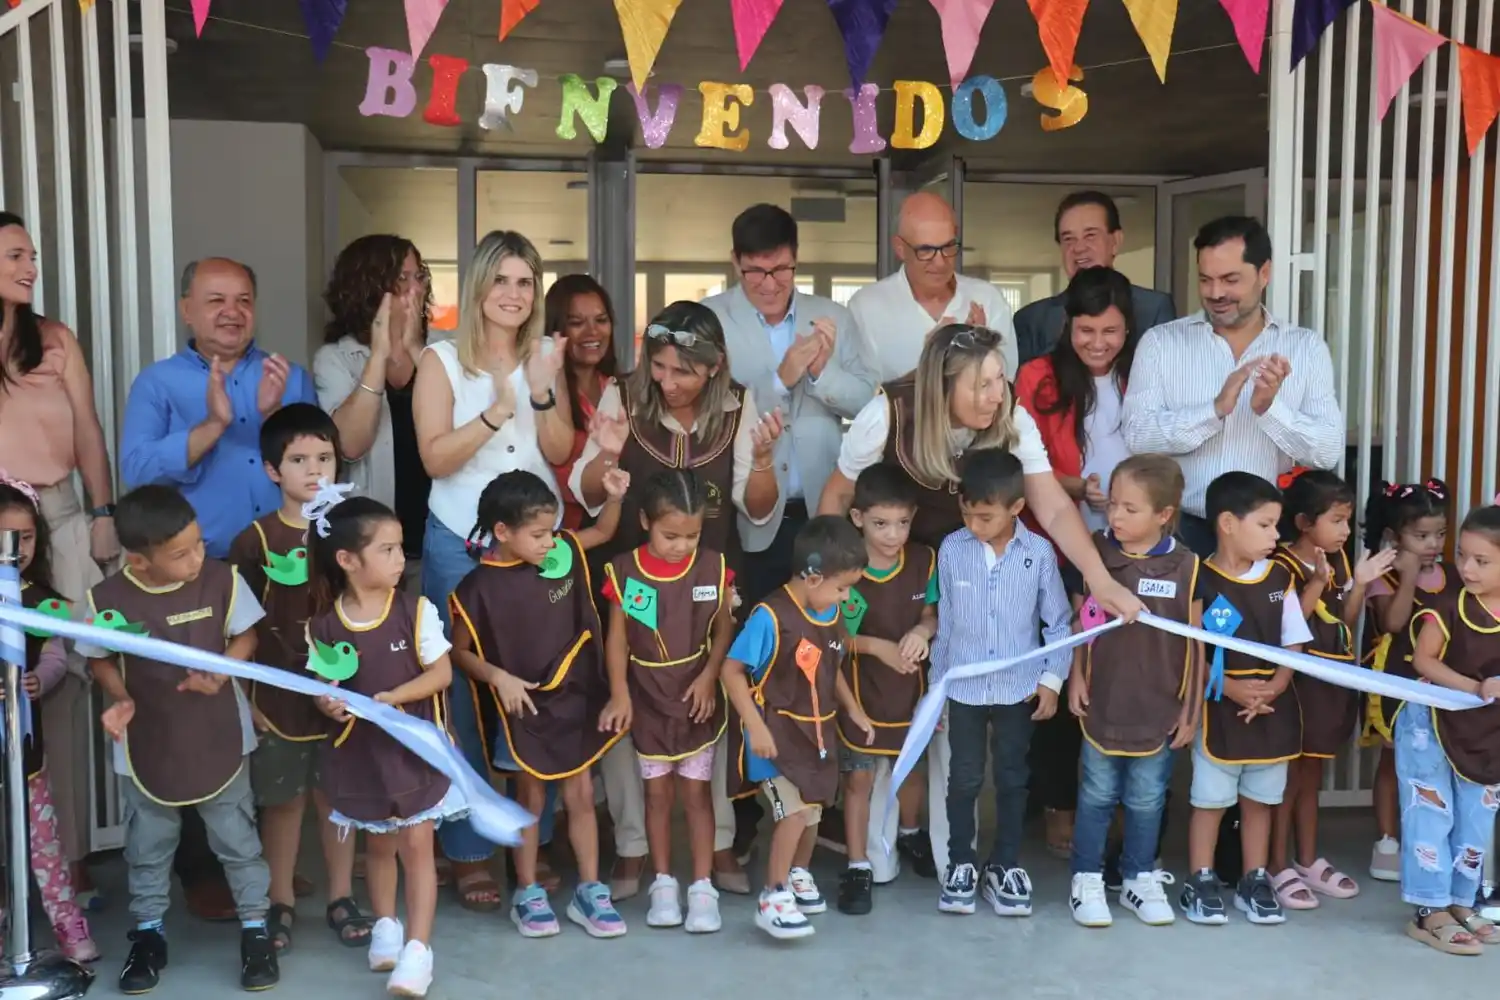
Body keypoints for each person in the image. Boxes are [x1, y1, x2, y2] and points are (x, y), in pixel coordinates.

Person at [818, 321, 1146, 876]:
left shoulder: (1011, 416)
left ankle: (954, 860)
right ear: (944, 386)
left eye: (1001, 379)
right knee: (883, 716)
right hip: (897, 580)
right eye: (983, 384)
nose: (998, 394)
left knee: (955, 732)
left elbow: (1056, 508)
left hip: (973, 588)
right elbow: (837, 495)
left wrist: (1100, 579)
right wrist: (824, 586)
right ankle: (869, 859)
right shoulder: (886, 416)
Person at [573, 300, 785, 894]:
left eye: (682, 372)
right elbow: (587, 491)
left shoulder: (740, 407)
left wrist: (764, 462)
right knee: (626, 711)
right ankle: (633, 847)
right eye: (658, 367)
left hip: (710, 588)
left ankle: (716, 843)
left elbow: (760, 508)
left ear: (715, 366)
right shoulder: (624, 395)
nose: (666, 382)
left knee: (711, 710)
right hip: (633, 586)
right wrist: (607, 458)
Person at [412, 230, 573, 911]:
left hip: (538, 544)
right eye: (503, 280)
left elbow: (562, 447)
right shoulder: (440, 361)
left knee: (545, 684)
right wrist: (495, 413)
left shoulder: (544, 356)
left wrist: (539, 396)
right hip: (460, 540)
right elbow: (434, 458)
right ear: (478, 287)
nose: (514, 294)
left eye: (526, 282)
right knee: (467, 700)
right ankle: (472, 850)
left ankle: (535, 844)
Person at [77, 484, 278, 993]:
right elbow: (98, 658)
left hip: (220, 736)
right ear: (140, 562)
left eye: (197, 544)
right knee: (147, 847)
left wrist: (223, 672)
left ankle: (256, 930)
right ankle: (148, 935)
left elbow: (246, 635)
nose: (196, 559)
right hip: (146, 742)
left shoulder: (224, 579)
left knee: (238, 841)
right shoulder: (106, 599)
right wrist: (121, 698)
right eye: (180, 554)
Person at [450, 469, 631, 939]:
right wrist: (499, 677)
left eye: (551, 530)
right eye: (537, 534)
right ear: (503, 533)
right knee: (529, 797)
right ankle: (527, 892)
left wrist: (612, 498)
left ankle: (591, 890)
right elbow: (460, 651)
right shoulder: (478, 589)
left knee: (582, 795)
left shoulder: (564, 551)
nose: (550, 542)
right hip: (524, 710)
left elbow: (605, 531)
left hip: (575, 698)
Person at [0, 212, 119, 909]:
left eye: (32, 254)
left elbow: (89, 431)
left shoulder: (54, 339)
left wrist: (102, 516)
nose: (31, 265)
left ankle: (67, 861)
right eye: (16, 254)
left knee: (66, 681)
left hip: (61, 516)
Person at [304, 492, 460, 998]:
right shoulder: (323, 626)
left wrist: (395, 696)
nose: (400, 559)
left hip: (412, 752)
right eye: (388, 550)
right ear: (347, 560)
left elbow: (441, 673)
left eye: (400, 548)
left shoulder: (415, 612)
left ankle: (419, 950)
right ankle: (387, 925)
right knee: (379, 844)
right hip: (360, 756)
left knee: (417, 845)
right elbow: (323, 688)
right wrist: (329, 704)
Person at [225, 404, 364, 952]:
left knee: (339, 798)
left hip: (342, 694)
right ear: (271, 470)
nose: (314, 470)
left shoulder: (351, 534)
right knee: (283, 803)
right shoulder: (254, 541)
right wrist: (245, 699)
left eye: (325, 458)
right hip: (276, 697)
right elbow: (236, 629)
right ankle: (278, 900)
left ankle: (339, 897)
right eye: (299, 459)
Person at [1122, 216, 1344, 557]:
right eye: (1205, 280)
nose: (1215, 293)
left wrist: (1270, 410)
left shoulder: (1305, 348)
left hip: (1268, 537)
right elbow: (1137, 435)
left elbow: (1328, 452)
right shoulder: (1161, 343)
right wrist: (1214, 411)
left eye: (1230, 279)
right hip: (1182, 534)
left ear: (1264, 273)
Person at [1014, 265, 1140, 857]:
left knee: (1122, 678)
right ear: (1067, 326)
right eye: (1086, 330)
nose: (1098, 343)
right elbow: (1023, 465)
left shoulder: (1143, 373)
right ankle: (1059, 805)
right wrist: (1073, 485)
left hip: (1131, 546)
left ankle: (1115, 805)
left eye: (1110, 331)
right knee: (1061, 680)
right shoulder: (1037, 377)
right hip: (1058, 545)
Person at [704, 202, 877, 607]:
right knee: (756, 635)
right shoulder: (711, 320)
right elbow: (707, 411)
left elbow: (870, 401)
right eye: (755, 271)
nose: (769, 283)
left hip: (825, 511)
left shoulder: (833, 317)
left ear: (796, 259)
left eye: (781, 269)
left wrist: (821, 375)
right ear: (735, 262)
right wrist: (779, 380)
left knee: (821, 636)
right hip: (748, 518)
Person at [720, 515, 874, 940]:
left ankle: (797, 874)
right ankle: (772, 896)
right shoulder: (770, 617)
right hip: (776, 736)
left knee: (813, 810)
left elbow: (832, 663)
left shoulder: (828, 611)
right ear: (811, 576)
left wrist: (854, 710)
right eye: (841, 587)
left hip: (817, 734)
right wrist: (757, 728)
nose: (845, 598)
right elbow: (732, 672)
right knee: (795, 811)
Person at [931, 450, 1070, 919]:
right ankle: (961, 864)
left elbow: (1059, 623)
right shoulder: (951, 550)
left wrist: (1052, 680)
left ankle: (1004, 865)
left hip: (1019, 689)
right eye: (967, 513)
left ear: (1015, 508)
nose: (974, 524)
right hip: (964, 690)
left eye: (985, 516)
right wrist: (935, 694)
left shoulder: (1039, 554)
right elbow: (945, 626)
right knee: (964, 778)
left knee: (1013, 777)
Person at [1065, 454, 1200, 929]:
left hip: (1159, 708)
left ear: (1164, 514)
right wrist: (1077, 675)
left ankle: (1138, 879)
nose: (1116, 517)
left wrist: (1190, 709)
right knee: (1097, 795)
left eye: (1130, 509)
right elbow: (1081, 622)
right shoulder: (1096, 555)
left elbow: (1199, 645)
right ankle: (1086, 879)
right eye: (1113, 506)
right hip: (1103, 701)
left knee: (1147, 799)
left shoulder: (1187, 566)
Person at [599, 469, 734, 933]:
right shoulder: (625, 571)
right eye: (670, 534)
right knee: (656, 796)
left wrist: (710, 675)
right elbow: (616, 639)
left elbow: (723, 628)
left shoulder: (712, 567)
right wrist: (619, 692)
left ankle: (700, 888)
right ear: (644, 521)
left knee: (697, 796)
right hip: (647, 696)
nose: (681, 545)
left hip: (696, 695)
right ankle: (662, 884)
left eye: (692, 535)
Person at [1178, 472, 1312, 928]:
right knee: (1210, 801)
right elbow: (1192, 648)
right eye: (1267, 525)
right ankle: (1201, 879)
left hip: (1273, 708)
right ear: (1228, 523)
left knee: (1260, 800)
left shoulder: (1280, 577)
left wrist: (1274, 686)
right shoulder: (1198, 577)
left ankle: (1255, 879)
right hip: (1220, 709)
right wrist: (1230, 689)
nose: (1277, 536)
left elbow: (1294, 641)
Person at [121, 258, 317, 558]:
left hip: (288, 557)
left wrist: (273, 415)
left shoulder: (287, 376)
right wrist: (212, 426)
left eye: (244, 301)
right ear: (187, 310)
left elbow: (320, 473)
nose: (233, 312)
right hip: (197, 563)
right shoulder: (156, 382)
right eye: (216, 300)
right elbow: (138, 472)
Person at [1266, 469, 1394, 910]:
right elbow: (1289, 627)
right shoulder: (1280, 564)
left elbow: (1347, 621)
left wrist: (1357, 582)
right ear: (1304, 522)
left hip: (1330, 685)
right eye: (1336, 520)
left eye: (1347, 521)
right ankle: (1276, 863)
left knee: (1312, 778)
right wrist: (1318, 583)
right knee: (1288, 781)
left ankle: (1306, 858)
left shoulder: (1338, 560)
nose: (1344, 530)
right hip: (1297, 688)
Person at [0, 479, 97, 961]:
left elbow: (57, 653)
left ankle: (68, 926)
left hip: (28, 755)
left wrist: (40, 676)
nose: (16, 548)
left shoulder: (40, 597)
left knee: (44, 846)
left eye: (27, 537)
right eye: (4, 535)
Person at [834, 463, 938, 915]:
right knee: (858, 778)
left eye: (902, 523)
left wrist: (924, 631)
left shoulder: (923, 561)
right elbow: (831, 636)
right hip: (860, 693)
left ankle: (910, 834)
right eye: (880, 524)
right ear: (857, 518)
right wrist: (875, 645)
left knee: (911, 768)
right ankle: (858, 864)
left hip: (910, 690)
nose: (893, 535)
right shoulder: (845, 570)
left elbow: (932, 614)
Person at [1401, 503, 1500, 955]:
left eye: (1482, 561)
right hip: (1431, 725)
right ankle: (1428, 909)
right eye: (1463, 555)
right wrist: (1476, 688)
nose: (1466, 568)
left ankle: (1461, 901)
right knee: (1431, 815)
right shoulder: (1449, 604)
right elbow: (1424, 660)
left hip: (1487, 732)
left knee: (1476, 820)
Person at [1361, 479, 1455, 882]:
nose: (1433, 543)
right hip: (1396, 681)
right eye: (1421, 536)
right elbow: (1393, 622)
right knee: (1392, 759)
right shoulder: (1386, 577)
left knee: (1443, 759)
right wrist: (1411, 573)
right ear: (1392, 535)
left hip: (1443, 682)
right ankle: (1387, 839)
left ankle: (1435, 837)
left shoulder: (1454, 575)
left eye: (1440, 534)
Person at [313, 234, 430, 522]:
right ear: (367, 288)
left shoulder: (442, 349)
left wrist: (416, 349)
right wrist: (378, 356)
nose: (416, 288)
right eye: (402, 278)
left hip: (442, 533)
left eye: (419, 276)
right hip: (371, 535)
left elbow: (460, 424)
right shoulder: (335, 359)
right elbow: (349, 446)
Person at [847, 192, 1018, 380]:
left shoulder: (988, 299)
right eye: (926, 250)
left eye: (948, 247)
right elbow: (866, 399)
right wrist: (932, 360)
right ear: (900, 248)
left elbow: (1005, 389)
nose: (940, 262)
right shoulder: (866, 307)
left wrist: (980, 355)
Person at [1013, 191, 1176, 366]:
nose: (1079, 247)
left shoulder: (1154, 308)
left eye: (1090, 235)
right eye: (1068, 239)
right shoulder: (1032, 319)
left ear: (1115, 241)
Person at [545, 274, 619, 530]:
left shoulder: (618, 387)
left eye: (602, 320)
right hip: (560, 540)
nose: (593, 332)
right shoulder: (543, 392)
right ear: (556, 330)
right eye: (577, 322)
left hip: (618, 532)